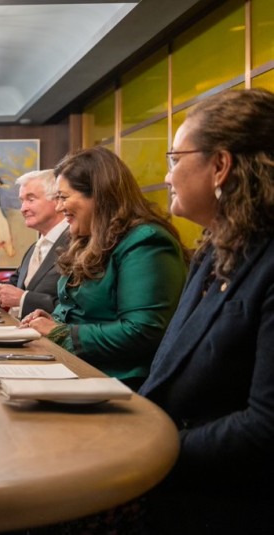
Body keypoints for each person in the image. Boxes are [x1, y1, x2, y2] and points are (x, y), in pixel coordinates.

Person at [139, 88, 274, 533]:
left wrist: (145, 453)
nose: (167, 175)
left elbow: (264, 429)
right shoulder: (213, 249)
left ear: (220, 165)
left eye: (175, 158)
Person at [22, 146, 188, 389]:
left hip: (120, 385)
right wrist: (52, 320)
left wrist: (61, 333)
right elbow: (77, 312)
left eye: (64, 197)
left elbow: (141, 331)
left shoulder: (146, 241)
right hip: (77, 370)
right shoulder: (87, 239)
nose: (58, 207)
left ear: (98, 195)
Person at [0, 169, 69, 318]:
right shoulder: (35, 247)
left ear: (57, 200)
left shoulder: (78, 245)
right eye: (22, 201)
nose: (23, 208)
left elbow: (74, 309)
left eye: (31, 199)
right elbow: (17, 286)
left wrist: (23, 299)